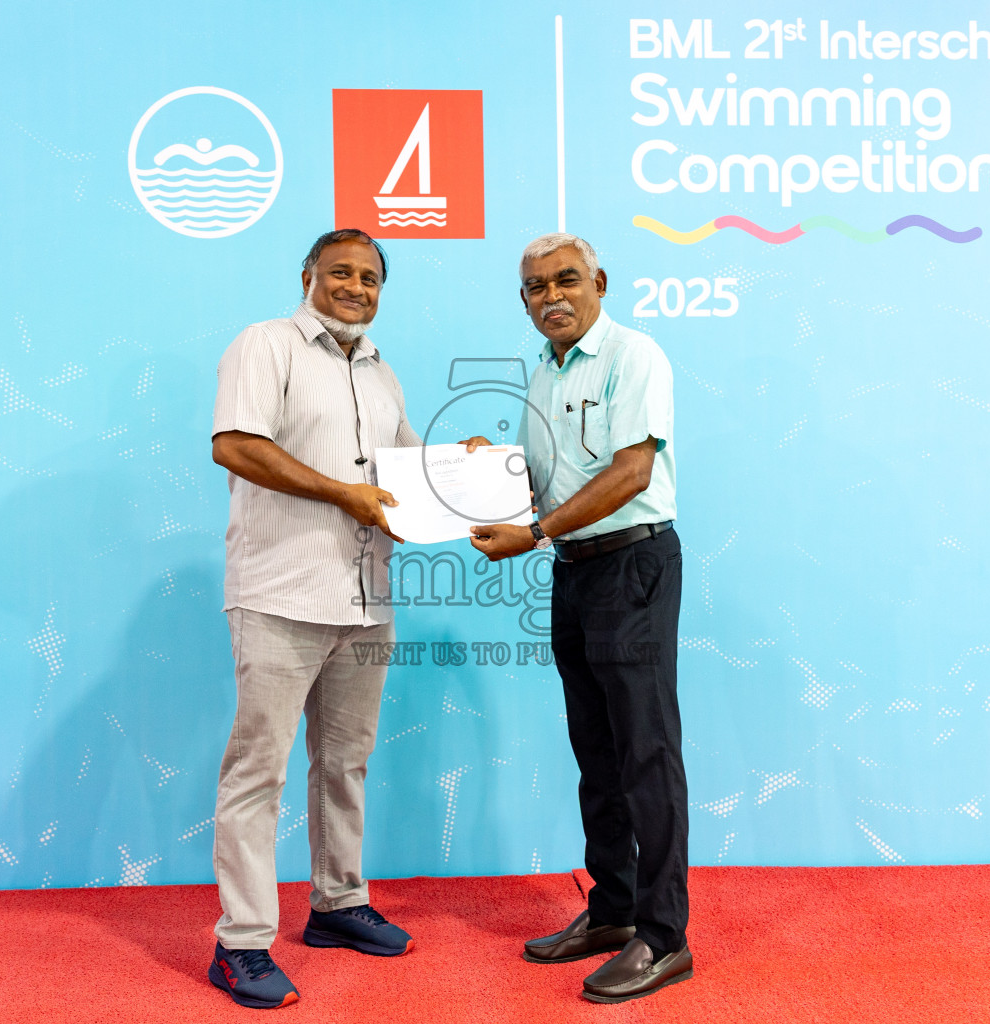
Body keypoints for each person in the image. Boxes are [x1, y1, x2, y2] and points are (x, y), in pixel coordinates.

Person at [207, 228, 487, 1009]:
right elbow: (235, 445)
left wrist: (463, 465)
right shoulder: (266, 345)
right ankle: (241, 943)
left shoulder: (381, 373)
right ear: (307, 275)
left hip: (366, 599)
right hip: (279, 594)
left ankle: (337, 903)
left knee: (344, 762)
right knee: (258, 771)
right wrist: (341, 494)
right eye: (340, 272)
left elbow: (409, 479)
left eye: (370, 277)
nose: (356, 287)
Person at [470, 233, 690, 1004]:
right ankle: (614, 910)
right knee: (596, 753)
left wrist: (534, 532)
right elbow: (544, 483)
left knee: (645, 754)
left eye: (566, 279)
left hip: (633, 565)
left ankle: (664, 937)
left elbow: (631, 473)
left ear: (599, 281)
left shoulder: (634, 355)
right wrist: (487, 469)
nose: (552, 296)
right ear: (523, 300)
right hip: (574, 572)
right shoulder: (543, 372)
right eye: (536, 287)